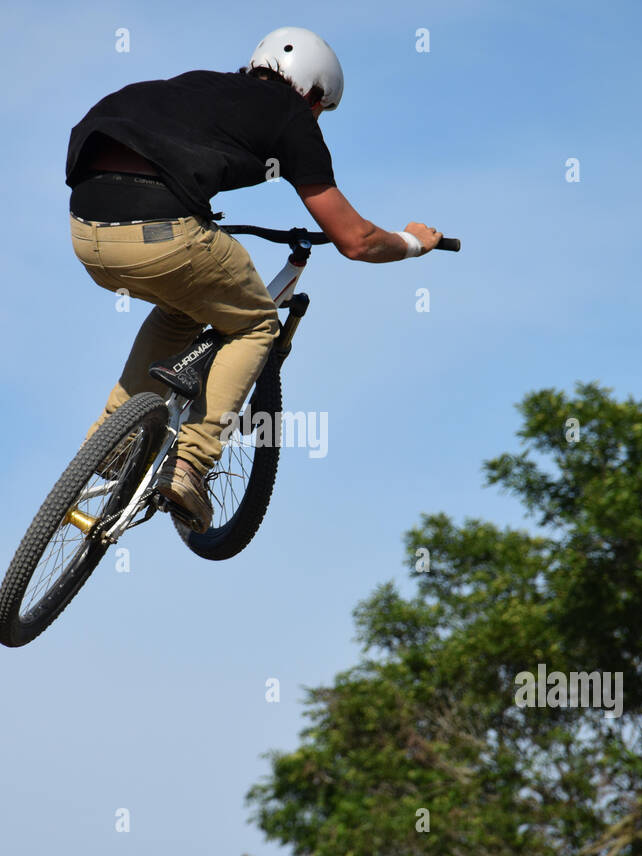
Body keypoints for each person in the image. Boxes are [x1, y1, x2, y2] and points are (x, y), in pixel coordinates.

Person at [67, 26, 442, 531]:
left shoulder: (198, 85)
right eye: (320, 110)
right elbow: (356, 240)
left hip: (87, 233)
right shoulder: (291, 114)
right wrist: (414, 242)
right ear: (311, 91)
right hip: (161, 232)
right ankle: (190, 466)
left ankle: (112, 442)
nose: (315, 120)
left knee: (184, 303)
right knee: (256, 325)